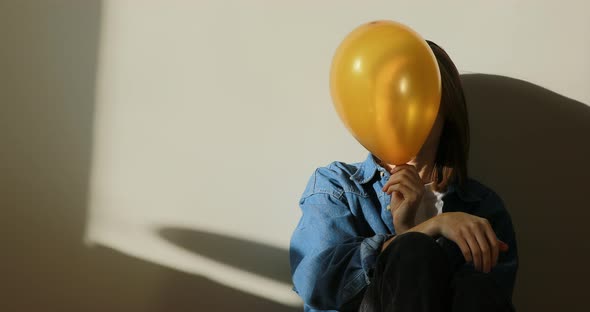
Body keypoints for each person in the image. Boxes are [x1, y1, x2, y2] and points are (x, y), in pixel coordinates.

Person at [289, 41, 518, 312]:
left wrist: (410, 233)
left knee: (474, 286)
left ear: (446, 105)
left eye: (414, 92)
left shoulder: (482, 207)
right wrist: (424, 231)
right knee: (414, 250)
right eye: (388, 95)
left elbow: (493, 297)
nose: (399, 106)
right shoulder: (336, 185)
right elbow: (314, 282)